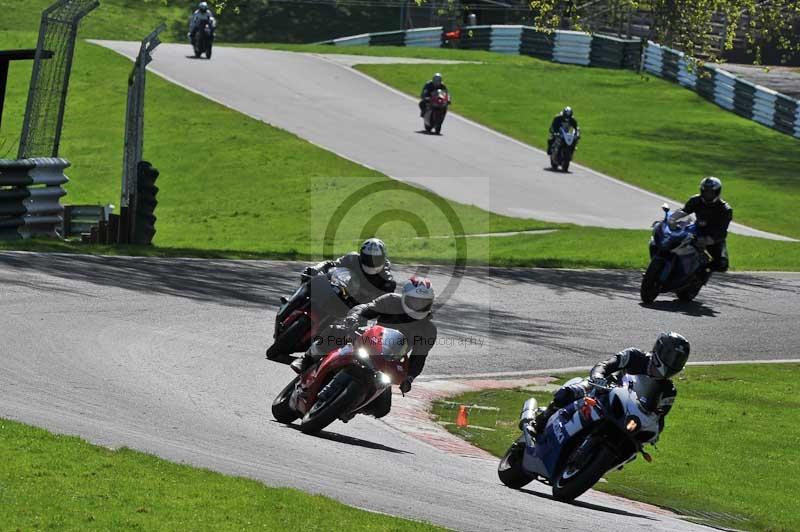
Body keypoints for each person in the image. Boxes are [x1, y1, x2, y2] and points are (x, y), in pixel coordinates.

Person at [291, 276, 438, 398]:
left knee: (382, 408)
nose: (418, 306)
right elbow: (366, 309)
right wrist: (355, 318)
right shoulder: (390, 301)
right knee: (337, 331)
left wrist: (409, 378)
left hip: (390, 358)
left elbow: (419, 357)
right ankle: (306, 359)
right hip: (370, 340)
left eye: (423, 303)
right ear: (405, 297)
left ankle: (352, 406)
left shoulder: (428, 329)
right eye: (415, 301)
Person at [533, 332, 690, 436]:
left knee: (634, 448)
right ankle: (540, 422)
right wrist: (598, 376)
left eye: (677, 360)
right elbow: (606, 364)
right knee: (570, 391)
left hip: (626, 419)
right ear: (659, 349)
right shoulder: (635, 356)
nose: (672, 363)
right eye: (670, 356)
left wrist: (655, 432)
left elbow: (659, 418)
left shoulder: (669, 391)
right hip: (604, 391)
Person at [669, 177, 732, 277]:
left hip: (714, 236)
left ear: (717, 192)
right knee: (673, 241)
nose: (708, 194)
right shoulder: (696, 200)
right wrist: (672, 219)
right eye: (706, 191)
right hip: (697, 229)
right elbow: (684, 211)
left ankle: (699, 277)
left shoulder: (725, 209)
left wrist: (709, 240)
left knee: (722, 265)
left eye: (711, 192)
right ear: (701, 191)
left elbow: (722, 231)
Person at [302, 238, 396, 302]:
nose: (371, 262)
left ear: (383, 258)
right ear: (361, 256)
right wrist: (316, 269)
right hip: (342, 291)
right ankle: (291, 303)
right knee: (309, 289)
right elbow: (332, 264)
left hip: (358, 310)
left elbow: (385, 303)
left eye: (376, 259)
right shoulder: (352, 258)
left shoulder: (387, 279)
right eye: (368, 258)